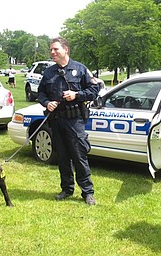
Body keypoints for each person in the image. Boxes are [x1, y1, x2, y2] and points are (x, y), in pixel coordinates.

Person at [38, 37, 100, 205]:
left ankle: (87, 192)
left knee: (79, 156)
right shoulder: (49, 72)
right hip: (57, 120)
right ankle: (67, 189)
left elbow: (95, 89)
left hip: (75, 121)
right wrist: (46, 103)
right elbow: (41, 93)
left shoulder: (80, 69)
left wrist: (76, 95)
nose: (52, 52)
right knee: (63, 157)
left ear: (66, 50)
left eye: (55, 49)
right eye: (51, 50)